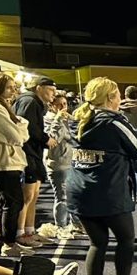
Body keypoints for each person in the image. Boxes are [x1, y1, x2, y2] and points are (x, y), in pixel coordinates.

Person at [67, 78, 137, 275]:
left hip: (79, 190)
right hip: (107, 191)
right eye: (117, 93)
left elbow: (112, 145)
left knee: (97, 243)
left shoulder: (79, 120)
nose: (121, 97)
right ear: (110, 98)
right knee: (126, 239)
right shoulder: (113, 121)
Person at [13, 75, 57, 248]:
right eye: (51, 90)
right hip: (26, 154)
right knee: (27, 195)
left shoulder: (33, 102)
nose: (54, 94)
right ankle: (20, 233)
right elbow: (26, 126)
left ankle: (30, 230)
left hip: (33, 154)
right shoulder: (29, 101)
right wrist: (45, 139)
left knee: (34, 194)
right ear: (38, 87)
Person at [0, 73, 31, 256]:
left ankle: (7, 242)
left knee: (5, 202)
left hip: (7, 161)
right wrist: (23, 124)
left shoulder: (3, 106)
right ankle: (8, 244)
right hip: (5, 163)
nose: (13, 90)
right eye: (9, 87)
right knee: (13, 202)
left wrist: (19, 129)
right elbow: (17, 137)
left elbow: (16, 136)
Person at [43, 89, 81, 238]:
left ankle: (76, 224)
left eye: (65, 104)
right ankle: (61, 227)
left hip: (69, 161)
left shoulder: (65, 119)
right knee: (62, 197)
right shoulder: (48, 119)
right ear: (52, 106)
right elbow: (53, 139)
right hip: (57, 163)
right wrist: (58, 119)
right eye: (59, 105)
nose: (63, 107)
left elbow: (72, 139)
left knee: (72, 195)